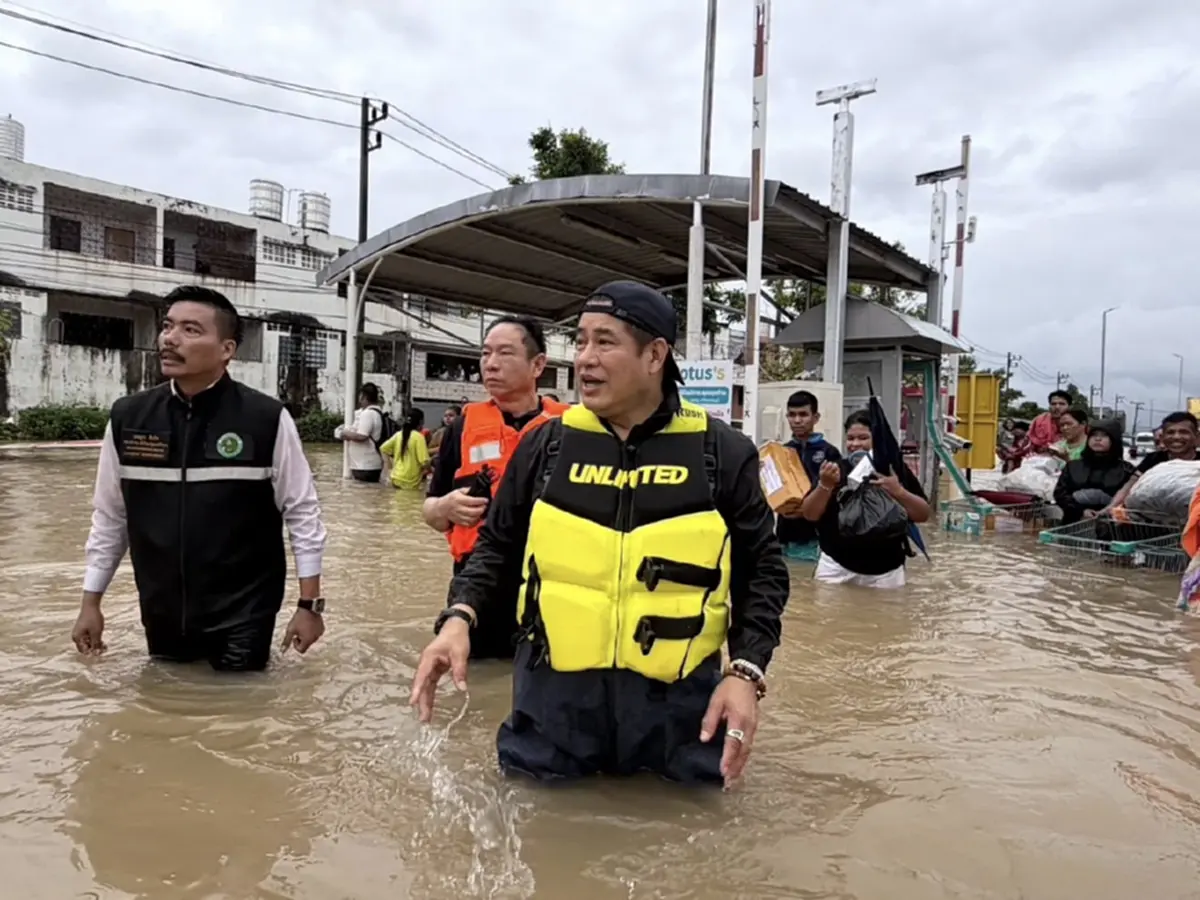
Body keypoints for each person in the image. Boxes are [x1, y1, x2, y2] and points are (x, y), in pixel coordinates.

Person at [410, 280, 790, 787]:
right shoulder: (544, 446)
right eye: (581, 341)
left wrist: (745, 673)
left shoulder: (722, 453)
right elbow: (496, 549)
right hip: (552, 718)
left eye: (604, 342)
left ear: (655, 355)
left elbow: (763, 570)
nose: (585, 359)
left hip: (678, 721)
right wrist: (458, 619)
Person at [70, 285, 328, 671]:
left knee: (238, 717)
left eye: (190, 330)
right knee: (165, 711)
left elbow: (302, 514)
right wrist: (90, 603)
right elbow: (111, 518)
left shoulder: (266, 419)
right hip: (162, 609)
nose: (170, 339)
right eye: (168, 326)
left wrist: (309, 606)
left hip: (245, 613)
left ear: (227, 349)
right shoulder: (129, 418)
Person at [421, 316, 570, 660]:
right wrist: (444, 507)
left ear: (538, 365)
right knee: (477, 682)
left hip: (549, 583)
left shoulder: (571, 429)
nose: (490, 363)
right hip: (478, 584)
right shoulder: (462, 427)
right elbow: (429, 511)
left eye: (504, 353)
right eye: (485, 353)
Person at [800, 411, 931, 589]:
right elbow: (809, 515)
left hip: (886, 571)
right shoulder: (835, 470)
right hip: (836, 566)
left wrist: (899, 492)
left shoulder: (894, 471)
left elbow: (923, 515)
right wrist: (825, 485)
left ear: (876, 439)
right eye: (850, 438)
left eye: (863, 438)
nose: (855, 444)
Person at [774, 390, 841, 562]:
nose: (797, 420)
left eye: (803, 414)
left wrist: (803, 511)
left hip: (815, 539)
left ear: (816, 417)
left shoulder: (829, 452)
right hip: (784, 536)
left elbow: (833, 496)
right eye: (792, 415)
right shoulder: (781, 451)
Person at [1106, 411, 1200, 512]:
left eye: (1183, 432)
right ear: (1163, 437)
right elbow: (1131, 485)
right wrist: (1111, 507)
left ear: (1197, 437)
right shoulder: (1153, 460)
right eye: (1170, 432)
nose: (1176, 437)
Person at [1052, 419, 1133, 524]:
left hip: (1111, 527)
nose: (1098, 439)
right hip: (1074, 524)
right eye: (1094, 435)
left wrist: (1107, 510)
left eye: (1104, 435)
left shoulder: (1126, 470)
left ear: (1114, 440)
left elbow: (1130, 501)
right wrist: (1081, 511)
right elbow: (1060, 494)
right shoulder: (1073, 466)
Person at [336, 383, 385, 483]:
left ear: (364, 397)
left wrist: (342, 434)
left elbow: (362, 436)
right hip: (367, 465)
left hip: (365, 466)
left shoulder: (368, 413)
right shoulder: (374, 412)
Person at [380, 409, 431, 490]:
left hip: (395, 477)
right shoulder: (419, 437)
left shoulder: (398, 434)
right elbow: (424, 462)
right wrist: (431, 470)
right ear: (421, 422)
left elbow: (383, 449)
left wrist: (388, 466)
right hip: (410, 480)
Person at [1028, 390, 1071, 456]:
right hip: (1040, 459)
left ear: (1069, 406)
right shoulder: (1039, 421)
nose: (1057, 407)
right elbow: (1030, 443)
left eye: (1062, 404)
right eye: (1053, 404)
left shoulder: (1076, 424)